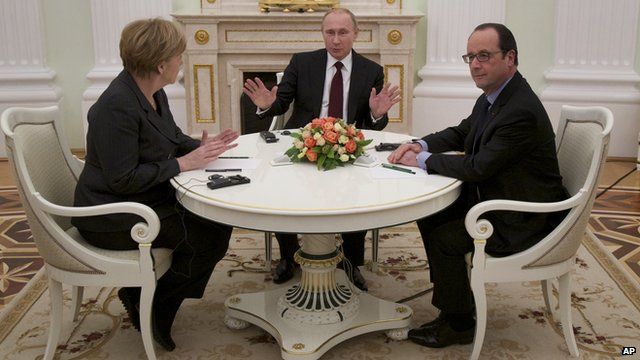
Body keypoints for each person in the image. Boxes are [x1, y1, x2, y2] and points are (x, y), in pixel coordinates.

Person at [388, 23, 568, 348]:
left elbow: (478, 166)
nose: (474, 64)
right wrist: (420, 145)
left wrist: (422, 162)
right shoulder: (496, 96)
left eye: (484, 55)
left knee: (446, 237)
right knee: (434, 212)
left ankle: (458, 324)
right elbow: (462, 133)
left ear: (510, 57)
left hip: (522, 218)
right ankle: (454, 295)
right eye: (470, 56)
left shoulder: (519, 110)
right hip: (503, 196)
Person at [72, 18, 239, 352]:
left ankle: (144, 296)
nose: (182, 60)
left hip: (142, 199)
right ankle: (153, 305)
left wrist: (203, 148)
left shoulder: (151, 92)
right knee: (206, 239)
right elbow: (122, 180)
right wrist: (182, 163)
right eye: (179, 55)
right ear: (162, 64)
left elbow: (173, 137)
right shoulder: (116, 107)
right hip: (109, 213)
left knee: (216, 224)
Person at [243, 8, 401, 291]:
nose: (336, 39)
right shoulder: (302, 63)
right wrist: (267, 104)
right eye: (330, 32)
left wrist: (377, 114)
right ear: (323, 34)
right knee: (284, 194)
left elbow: (372, 123)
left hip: (348, 146)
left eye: (343, 32)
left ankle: (351, 262)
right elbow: (281, 104)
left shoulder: (371, 70)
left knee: (359, 198)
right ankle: (288, 257)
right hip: (304, 142)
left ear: (356, 34)